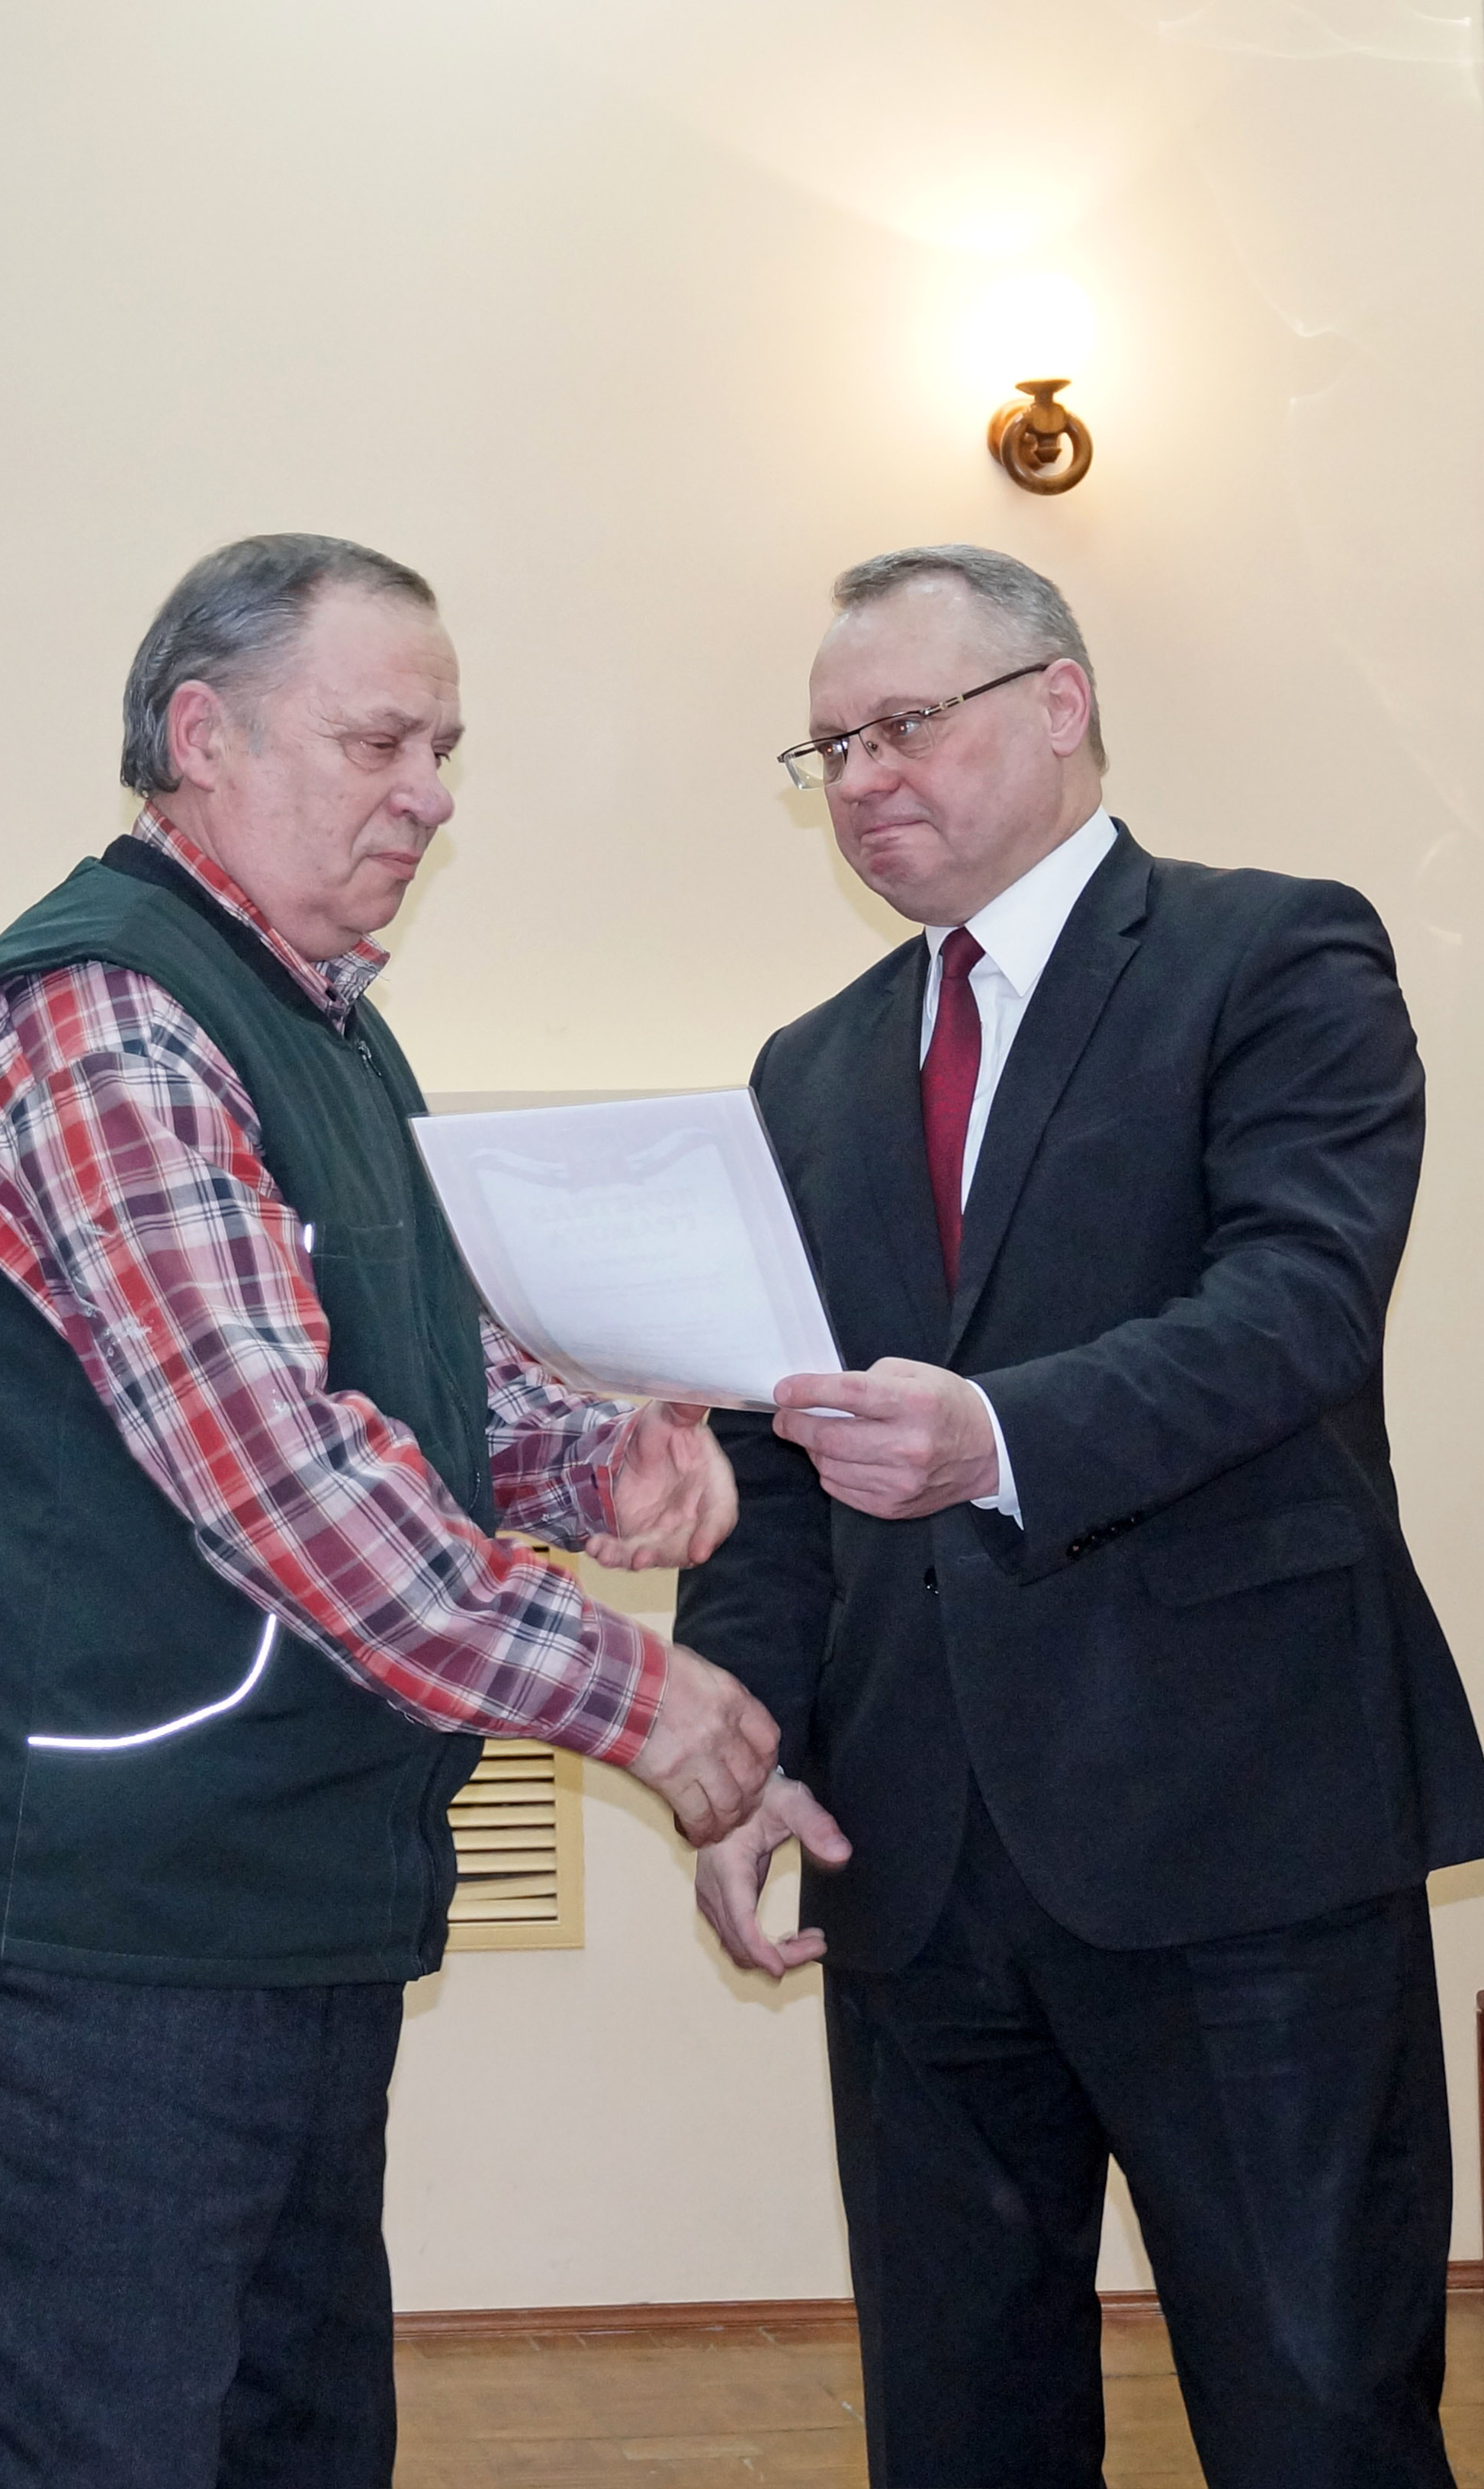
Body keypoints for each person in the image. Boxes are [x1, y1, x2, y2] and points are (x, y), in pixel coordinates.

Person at [0, 532, 779, 2489]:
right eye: (377, 742)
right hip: (87, 1937)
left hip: (268, 1908)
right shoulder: (106, 1020)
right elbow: (284, 1480)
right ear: (203, 736)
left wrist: (589, 1459)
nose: (429, 795)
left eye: (444, 749)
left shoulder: (323, 1019)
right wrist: (640, 1697)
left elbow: (408, 1366)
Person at [675, 544, 1484, 2489]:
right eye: (826, 749)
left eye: (902, 724)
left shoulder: (1271, 955)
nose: (862, 778)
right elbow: (766, 1441)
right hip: (910, 1861)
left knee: (1313, 2420)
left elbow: (1292, 1308)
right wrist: (743, 1737)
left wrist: (994, 1436)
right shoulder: (807, 1068)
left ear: (1059, 703)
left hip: (1238, 1835)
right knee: (955, 2433)